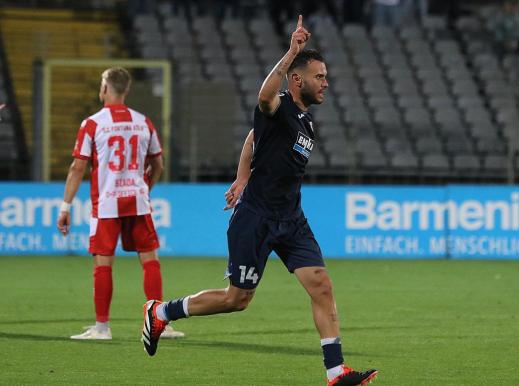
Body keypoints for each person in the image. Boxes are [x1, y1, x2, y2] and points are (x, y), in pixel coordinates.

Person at [141, 16, 378, 386]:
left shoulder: (306, 121)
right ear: (297, 79)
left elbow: (254, 138)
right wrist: (291, 53)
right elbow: (263, 100)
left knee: (322, 285)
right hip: (256, 218)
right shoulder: (279, 104)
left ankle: (336, 373)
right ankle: (162, 312)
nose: (326, 82)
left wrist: (241, 175)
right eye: (319, 76)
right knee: (236, 300)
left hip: (291, 219)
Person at [57, 67, 183, 340]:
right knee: (150, 260)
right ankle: (161, 323)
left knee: (103, 263)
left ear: (104, 89)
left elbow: (77, 169)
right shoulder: (143, 122)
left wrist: (65, 207)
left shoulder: (92, 124)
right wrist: (145, 188)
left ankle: (102, 328)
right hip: (137, 199)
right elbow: (158, 163)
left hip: (107, 204)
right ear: (126, 90)